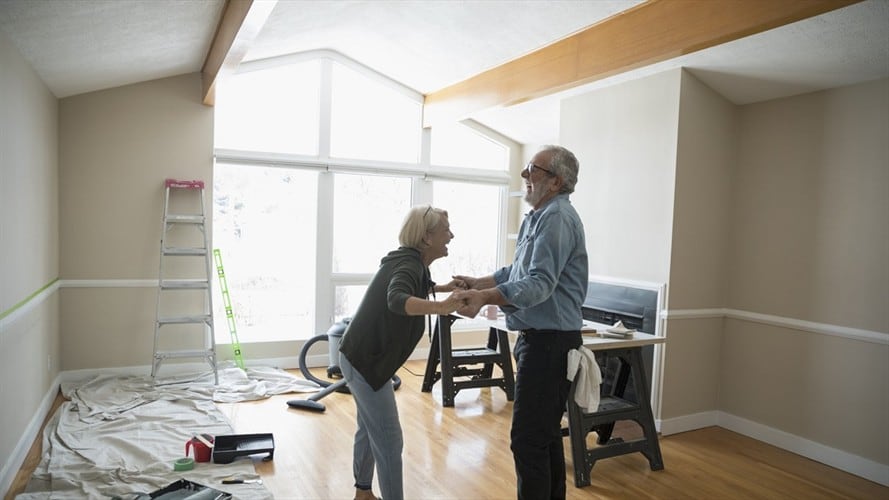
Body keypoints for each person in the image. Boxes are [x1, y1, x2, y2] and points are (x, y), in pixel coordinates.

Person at [455, 145, 588, 500]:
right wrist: (477, 283)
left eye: (533, 169)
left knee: (527, 441)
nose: (524, 175)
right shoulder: (539, 217)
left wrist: (486, 298)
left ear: (556, 182)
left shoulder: (558, 218)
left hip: (551, 343)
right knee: (542, 436)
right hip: (539, 339)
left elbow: (539, 284)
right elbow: (515, 272)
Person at [338, 205, 466, 500]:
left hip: (362, 356)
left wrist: (442, 287)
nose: (451, 235)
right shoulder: (409, 264)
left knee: (369, 429)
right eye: (446, 230)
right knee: (389, 438)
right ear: (426, 238)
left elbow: (414, 284)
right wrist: (441, 307)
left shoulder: (412, 262)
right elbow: (397, 298)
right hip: (365, 362)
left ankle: (362, 493)